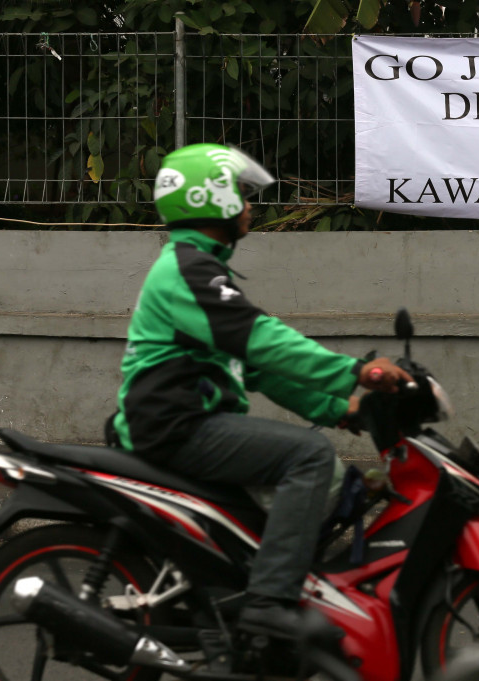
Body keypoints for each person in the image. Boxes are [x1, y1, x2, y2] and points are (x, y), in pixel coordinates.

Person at [108, 143, 412, 638]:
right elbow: (262, 341)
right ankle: (269, 602)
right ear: (211, 200)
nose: (249, 205)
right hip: (175, 425)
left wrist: (341, 409)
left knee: (320, 475)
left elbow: (255, 369)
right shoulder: (189, 271)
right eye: (241, 195)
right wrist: (359, 372)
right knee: (310, 456)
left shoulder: (198, 267)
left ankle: (251, 587)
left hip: (184, 421)